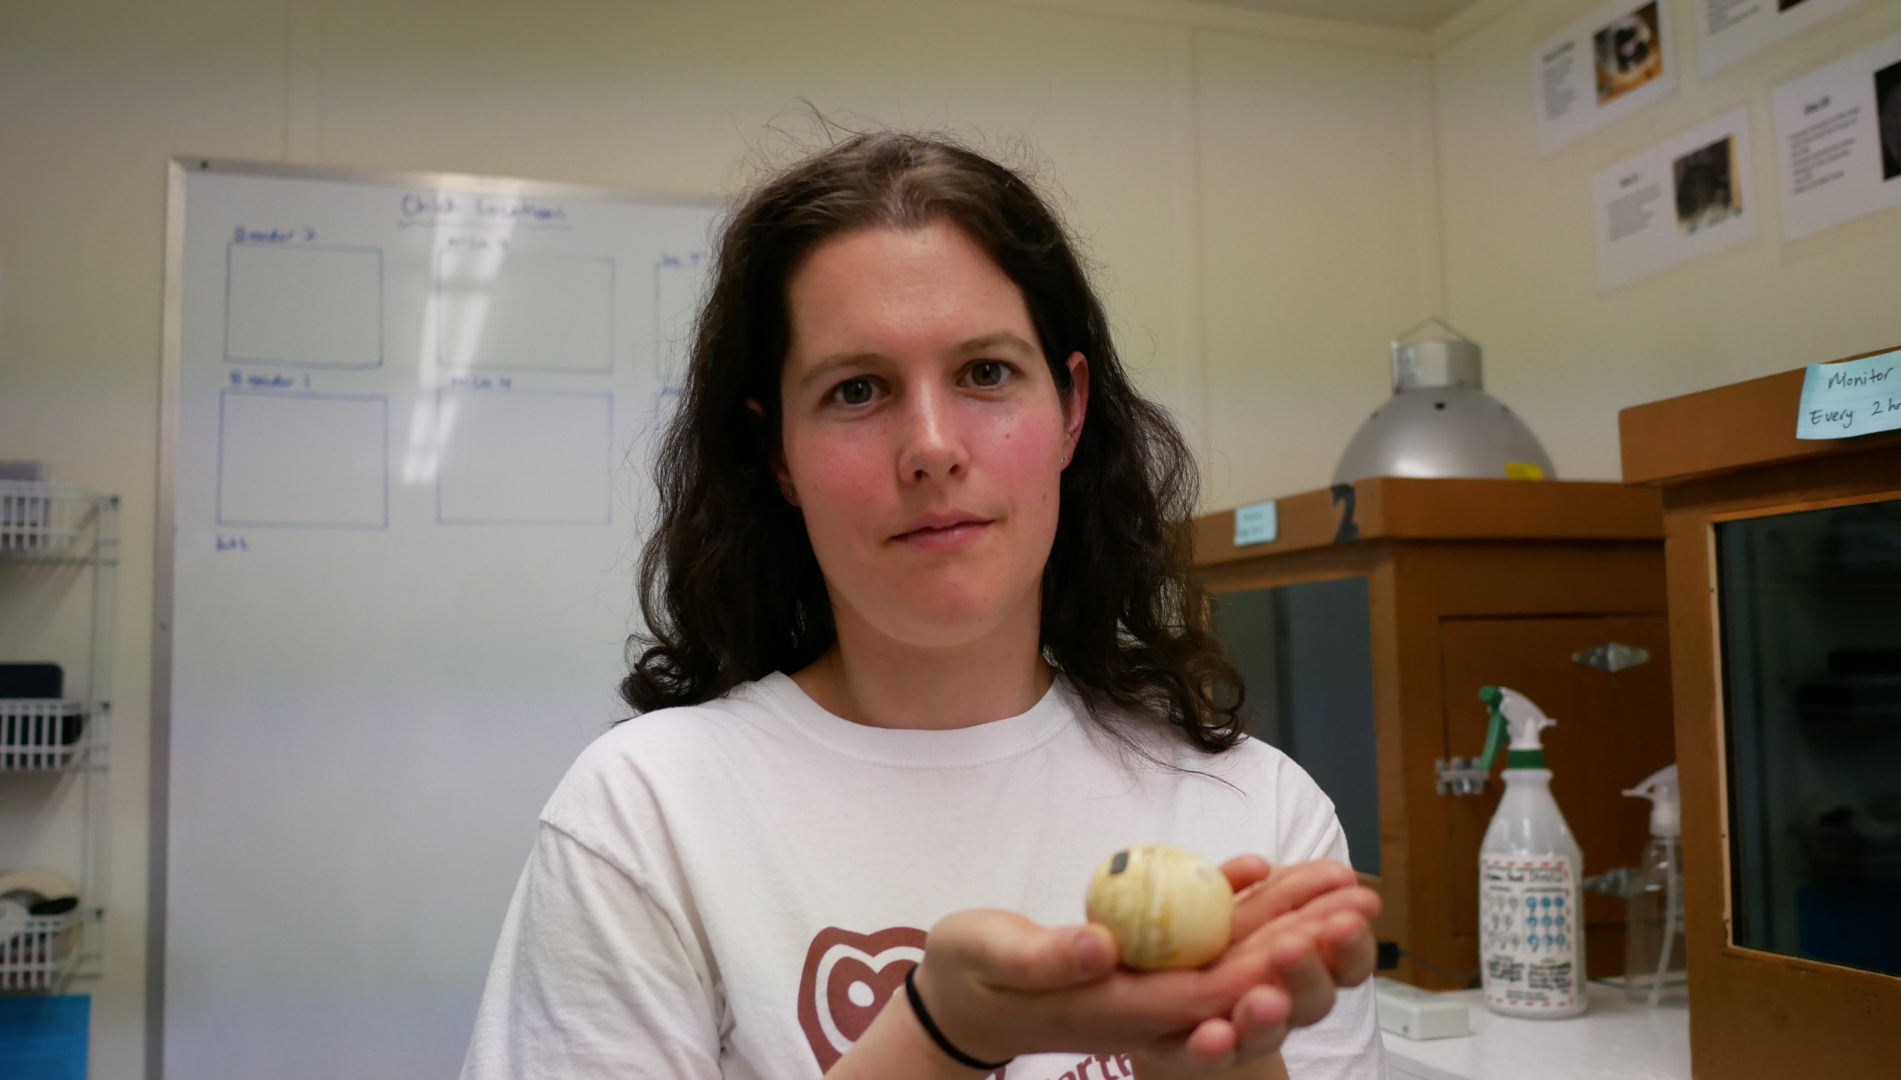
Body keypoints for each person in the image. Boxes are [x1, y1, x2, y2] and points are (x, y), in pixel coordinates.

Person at [460, 129, 1386, 1079]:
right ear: (777, 452)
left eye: (986, 373)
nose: (932, 447)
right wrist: (938, 1040)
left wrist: (1217, 1063)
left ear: (1070, 409)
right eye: (857, 390)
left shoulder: (1258, 819)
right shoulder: (647, 815)